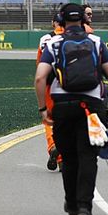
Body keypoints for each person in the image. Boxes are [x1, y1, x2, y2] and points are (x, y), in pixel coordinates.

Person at [35, 3, 108, 215]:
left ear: (61, 20)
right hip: (92, 106)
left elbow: (40, 78)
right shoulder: (96, 42)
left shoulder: (54, 44)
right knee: (88, 156)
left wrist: (43, 108)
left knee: (68, 157)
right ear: (84, 20)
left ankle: (71, 202)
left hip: (63, 106)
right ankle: (85, 206)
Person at [36, 15, 64, 172]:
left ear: (54, 23)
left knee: (49, 118)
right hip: (70, 84)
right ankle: (64, 158)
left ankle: (54, 147)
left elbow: (40, 62)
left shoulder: (45, 39)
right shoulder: (74, 36)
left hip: (49, 83)